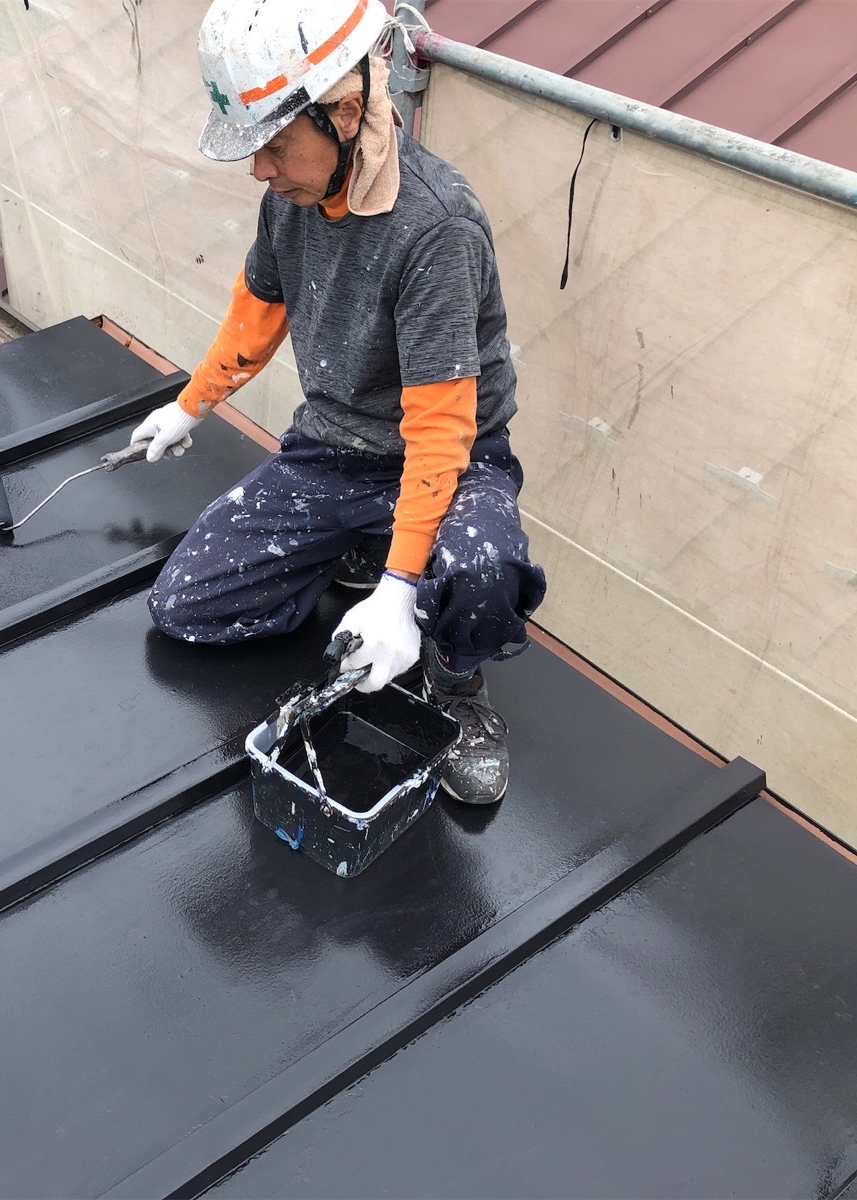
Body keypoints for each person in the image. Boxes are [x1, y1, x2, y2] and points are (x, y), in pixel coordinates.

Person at [132, 0, 546, 805]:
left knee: (482, 569)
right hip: (335, 450)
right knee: (188, 606)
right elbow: (258, 311)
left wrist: (400, 592)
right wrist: (190, 406)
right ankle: (364, 546)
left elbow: (441, 429)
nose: (260, 170)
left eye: (274, 146)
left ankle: (454, 681)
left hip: (450, 461)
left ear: (347, 113)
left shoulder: (435, 229)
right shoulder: (291, 200)